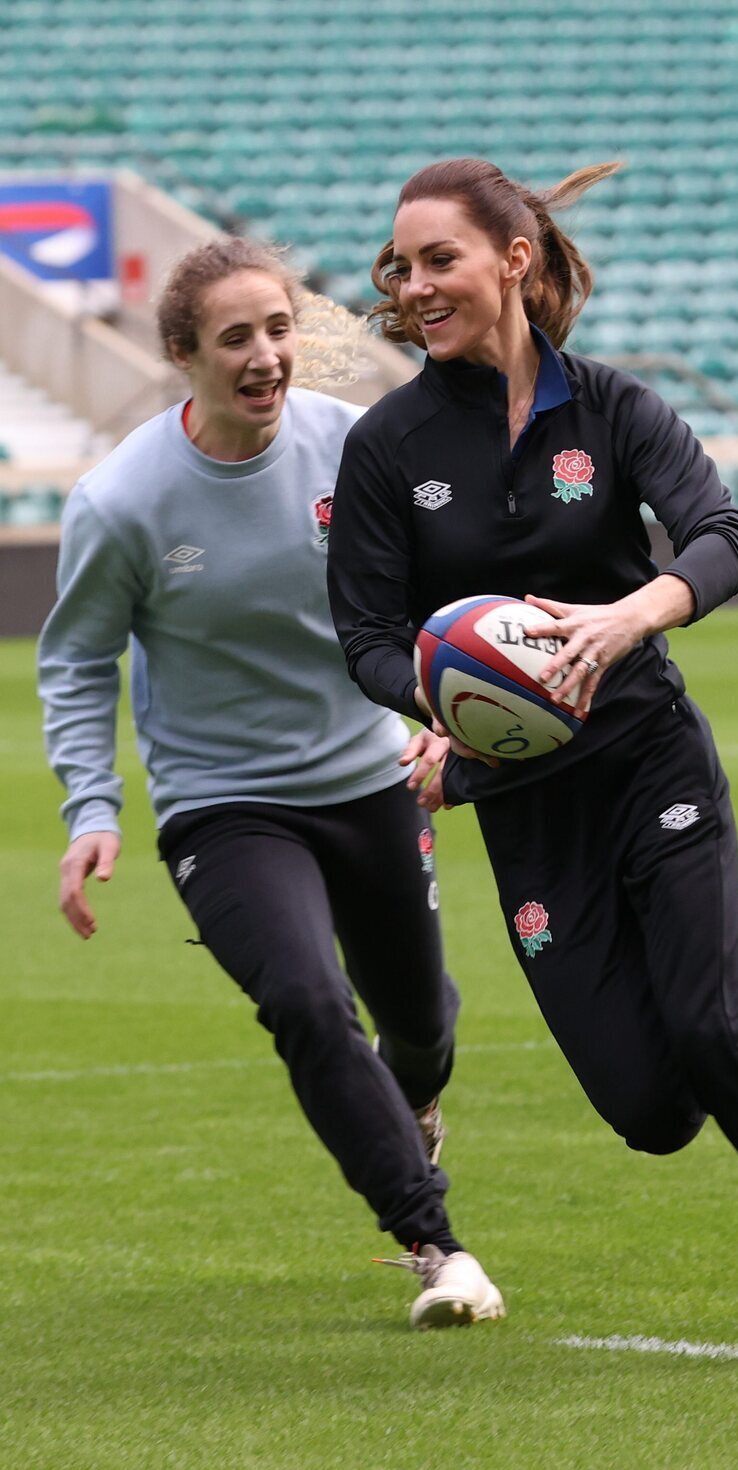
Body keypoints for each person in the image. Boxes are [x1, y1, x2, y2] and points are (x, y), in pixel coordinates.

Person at [326, 158, 738, 1368]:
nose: (417, 283)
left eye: (440, 257)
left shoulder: (611, 407)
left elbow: (721, 533)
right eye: (403, 264)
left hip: (652, 759)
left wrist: (630, 615)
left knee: (711, 1042)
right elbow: (368, 639)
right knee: (650, 1114)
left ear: (513, 258)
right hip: (521, 800)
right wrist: (433, 703)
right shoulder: (388, 448)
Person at [36, 235, 504, 1331]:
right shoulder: (122, 502)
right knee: (303, 999)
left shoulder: (359, 449)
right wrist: (92, 808)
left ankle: (416, 1099)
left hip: (370, 779)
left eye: (280, 328)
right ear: (183, 354)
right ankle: (436, 1246)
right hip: (224, 806)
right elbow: (73, 659)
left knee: (420, 1029)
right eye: (235, 337)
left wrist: (440, 721)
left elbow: (439, 596)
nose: (264, 355)